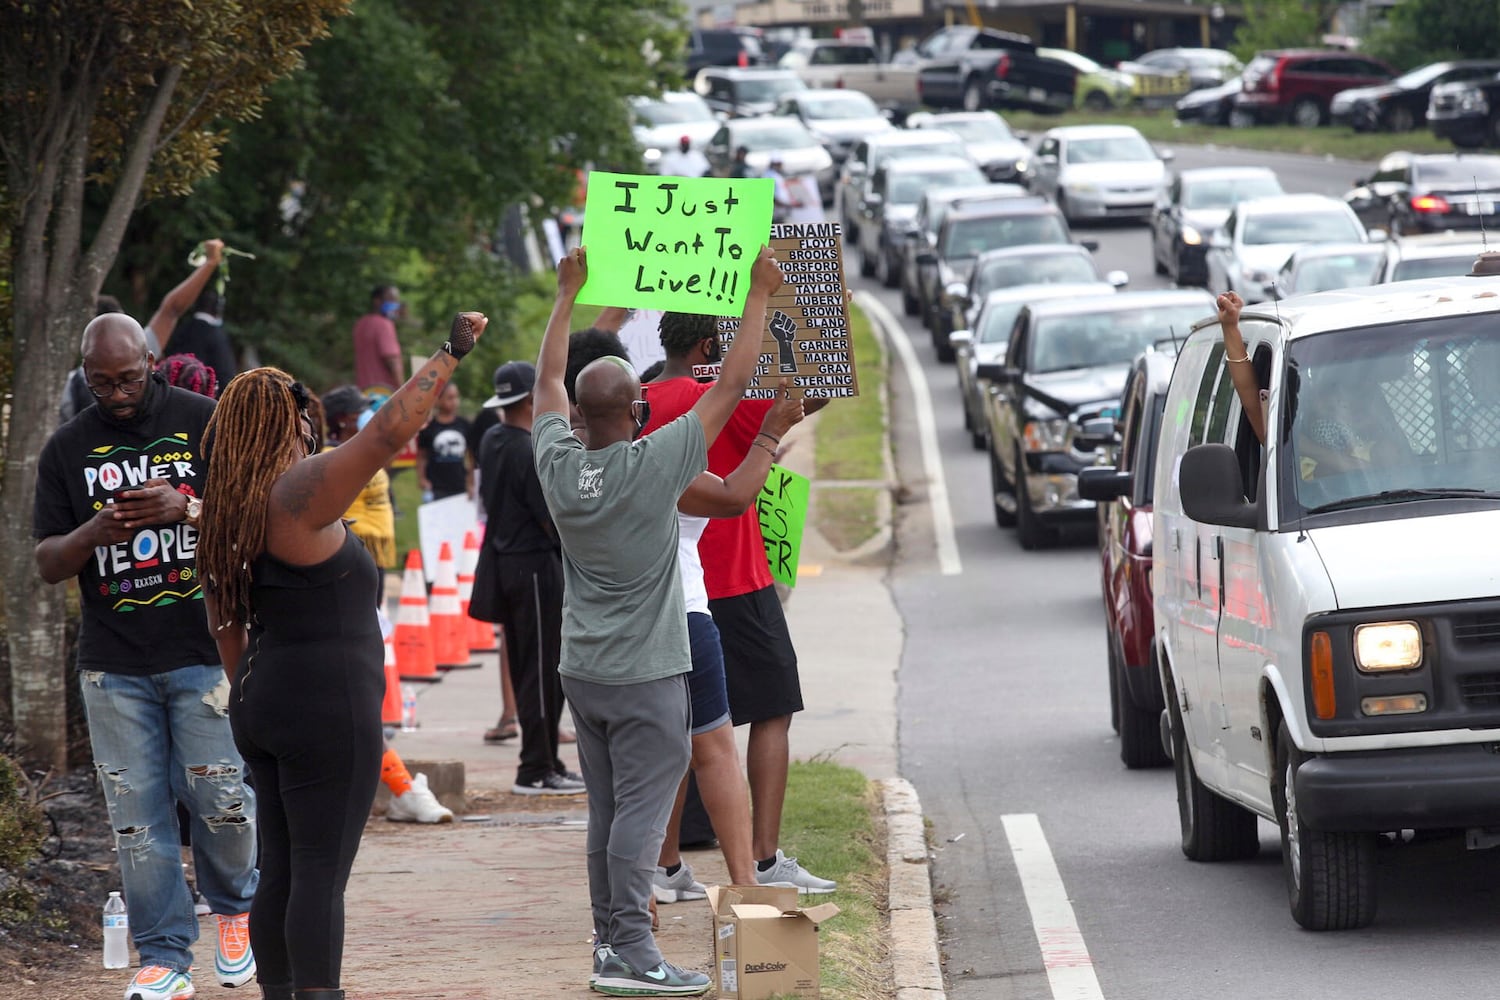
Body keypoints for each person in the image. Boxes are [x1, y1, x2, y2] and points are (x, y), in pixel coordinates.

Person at [197, 310, 487, 1000]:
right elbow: (389, 430)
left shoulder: (228, 509)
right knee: (319, 873)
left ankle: (284, 992)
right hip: (325, 702)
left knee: (286, 869)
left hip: (264, 697)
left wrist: (252, 698)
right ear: (285, 427)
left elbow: (223, 623)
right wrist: (451, 351)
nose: (314, 431)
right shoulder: (296, 495)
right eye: (305, 420)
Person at [532, 245, 781, 996]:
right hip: (647, 671)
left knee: (607, 814)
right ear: (636, 411)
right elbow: (732, 383)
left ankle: (612, 944)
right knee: (639, 817)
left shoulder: (555, 462)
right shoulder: (657, 464)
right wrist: (760, 294)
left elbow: (546, 379)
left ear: (579, 415)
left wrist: (566, 294)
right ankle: (634, 953)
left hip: (584, 670)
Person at [33, 313, 259, 1000]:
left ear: (154, 359)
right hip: (114, 664)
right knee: (138, 820)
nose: (117, 393)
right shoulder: (67, 449)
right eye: (101, 383)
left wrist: (184, 507)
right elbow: (46, 560)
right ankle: (164, 954)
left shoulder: (205, 421)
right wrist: (93, 531)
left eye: (128, 377)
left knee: (223, 799)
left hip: (201, 648)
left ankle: (236, 914)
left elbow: (252, 513)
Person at [642, 311, 838, 896]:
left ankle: (666, 865)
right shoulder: (717, 397)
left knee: (682, 729)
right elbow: (809, 393)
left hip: (668, 589)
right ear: (710, 345)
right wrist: (825, 326)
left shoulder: (637, 401)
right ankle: (765, 858)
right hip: (735, 577)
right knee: (773, 709)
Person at [317, 386, 452, 824]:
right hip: (341, 587)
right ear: (339, 421)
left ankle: (397, 790)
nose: (366, 419)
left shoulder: (357, 453)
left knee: (358, 695)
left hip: (367, 582)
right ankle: (402, 789)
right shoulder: (330, 459)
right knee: (353, 699)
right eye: (359, 414)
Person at [469, 361, 582, 792]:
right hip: (533, 564)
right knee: (542, 668)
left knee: (525, 664)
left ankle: (543, 760)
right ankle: (537, 766)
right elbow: (549, 516)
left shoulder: (493, 439)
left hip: (504, 563)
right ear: (532, 400)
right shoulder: (528, 448)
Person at [60, 241, 227, 422]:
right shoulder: (135, 353)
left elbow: (171, 310)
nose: (118, 395)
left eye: (128, 379)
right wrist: (210, 263)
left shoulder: (68, 386)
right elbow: (171, 310)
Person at [160, 286, 237, 391]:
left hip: (173, 392)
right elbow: (225, 373)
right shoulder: (217, 336)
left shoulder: (180, 329)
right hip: (204, 397)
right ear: (218, 309)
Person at [415, 382, 474, 502]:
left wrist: (471, 482)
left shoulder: (464, 425)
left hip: (460, 485)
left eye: (456, 397)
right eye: (450, 398)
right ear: (438, 400)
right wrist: (422, 478)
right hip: (436, 487)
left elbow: (472, 457)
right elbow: (421, 456)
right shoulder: (429, 428)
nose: (455, 401)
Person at [351, 284, 403, 391]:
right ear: (377, 301)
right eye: (391, 300)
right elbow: (392, 361)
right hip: (384, 393)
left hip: (364, 392)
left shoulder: (360, 324)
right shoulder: (384, 324)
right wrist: (402, 390)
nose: (395, 305)